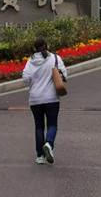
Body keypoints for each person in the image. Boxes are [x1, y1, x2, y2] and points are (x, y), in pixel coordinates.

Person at [22, 36, 68, 165]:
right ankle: (49, 143)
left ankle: (40, 156)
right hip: (51, 98)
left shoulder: (30, 60)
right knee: (52, 124)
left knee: (39, 126)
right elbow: (64, 74)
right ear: (47, 46)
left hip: (35, 98)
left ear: (34, 48)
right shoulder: (54, 58)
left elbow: (25, 79)